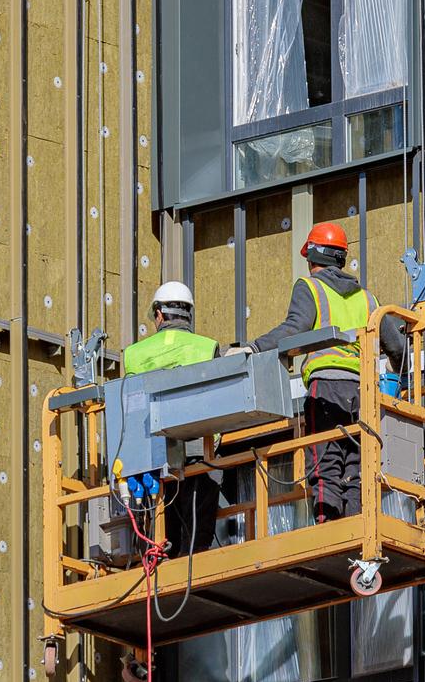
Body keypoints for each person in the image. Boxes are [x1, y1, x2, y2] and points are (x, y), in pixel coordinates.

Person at [252, 222, 407, 524]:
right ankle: (357, 531)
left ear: (311, 258)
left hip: (326, 389)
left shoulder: (310, 287)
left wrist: (255, 348)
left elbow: (293, 328)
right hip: (363, 395)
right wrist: (394, 379)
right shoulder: (367, 299)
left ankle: (328, 529)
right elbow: (398, 349)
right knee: (356, 466)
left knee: (325, 463)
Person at [119, 281, 221, 552]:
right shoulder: (206, 347)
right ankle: (195, 558)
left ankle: (165, 554)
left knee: (165, 522)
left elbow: (131, 406)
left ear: (160, 315)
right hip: (200, 449)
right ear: (188, 315)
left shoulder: (134, 355)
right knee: (198, 518)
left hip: (153, 456)